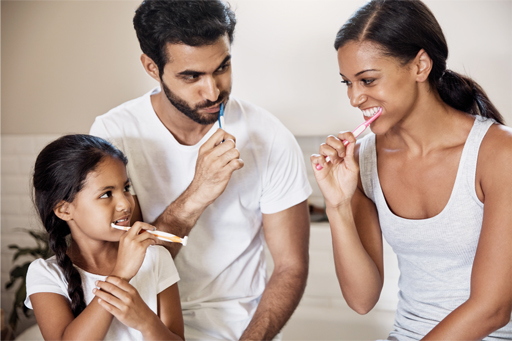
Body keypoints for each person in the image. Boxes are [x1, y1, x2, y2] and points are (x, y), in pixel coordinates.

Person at [89, 0, 312, 340]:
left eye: (222, 68)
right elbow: (119, 265)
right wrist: (197, 195)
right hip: (143, 326)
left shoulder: (270, 136)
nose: (213, 91)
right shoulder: (113, 135)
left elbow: (290, 267)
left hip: (240, 329)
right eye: (191, 76)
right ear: (151, 66)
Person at [311, 0, 512, 340]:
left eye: (368, 80)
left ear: (420, 65)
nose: (355, 98)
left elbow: (491, 308)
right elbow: (362, 300)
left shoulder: (498, 154)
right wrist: (338, 205)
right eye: (347, 82)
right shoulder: (362, 160)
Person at [25, 134, 184, 341]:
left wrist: (146, 321)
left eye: (126, 188)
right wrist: (120, 276)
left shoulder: (155, 258)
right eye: (106, 194)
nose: (126, 204)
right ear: (64, 210)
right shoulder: (45, 274)